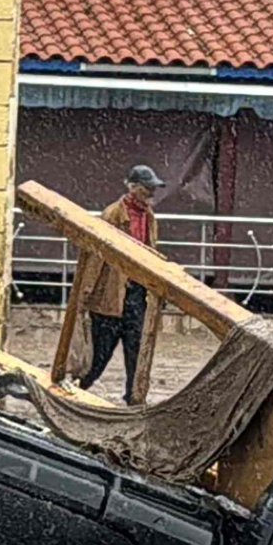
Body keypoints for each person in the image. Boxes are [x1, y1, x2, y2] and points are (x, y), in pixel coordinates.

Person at [78, 162, 164, 398]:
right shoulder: (113, 214)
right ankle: (77, 388)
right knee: (99, 356)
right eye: (146, 189)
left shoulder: (149, 216)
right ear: (133, 187)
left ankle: (133, 399)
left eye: (151, 189)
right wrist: (86, 294)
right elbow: (96, 257)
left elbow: (150, 250)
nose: (150, 194)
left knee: (135, 354)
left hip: (136, 294)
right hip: (110, 296)